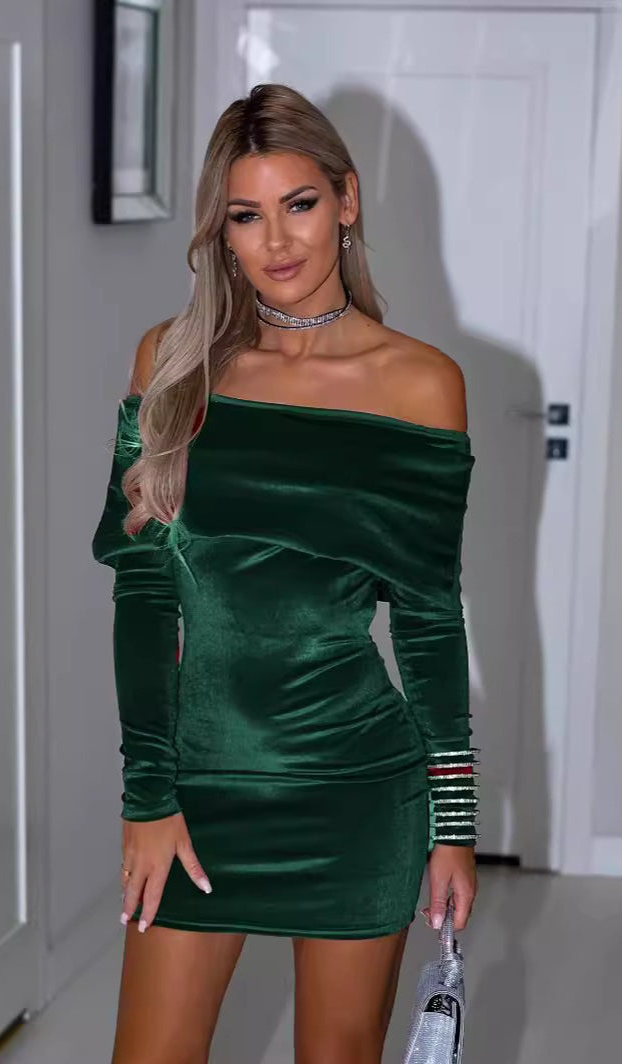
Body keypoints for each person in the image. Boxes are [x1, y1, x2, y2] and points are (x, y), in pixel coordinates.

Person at [92, 82, 479, 1064]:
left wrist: (453, 823)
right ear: (218, 231)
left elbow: (428, 616)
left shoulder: (420, 384)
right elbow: (144, 592)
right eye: (244, 214)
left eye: (298, 203)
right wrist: (147, 796)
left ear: (345, 200)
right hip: (194, 789)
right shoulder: (172, 364)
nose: (276, 240)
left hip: (356, 791)